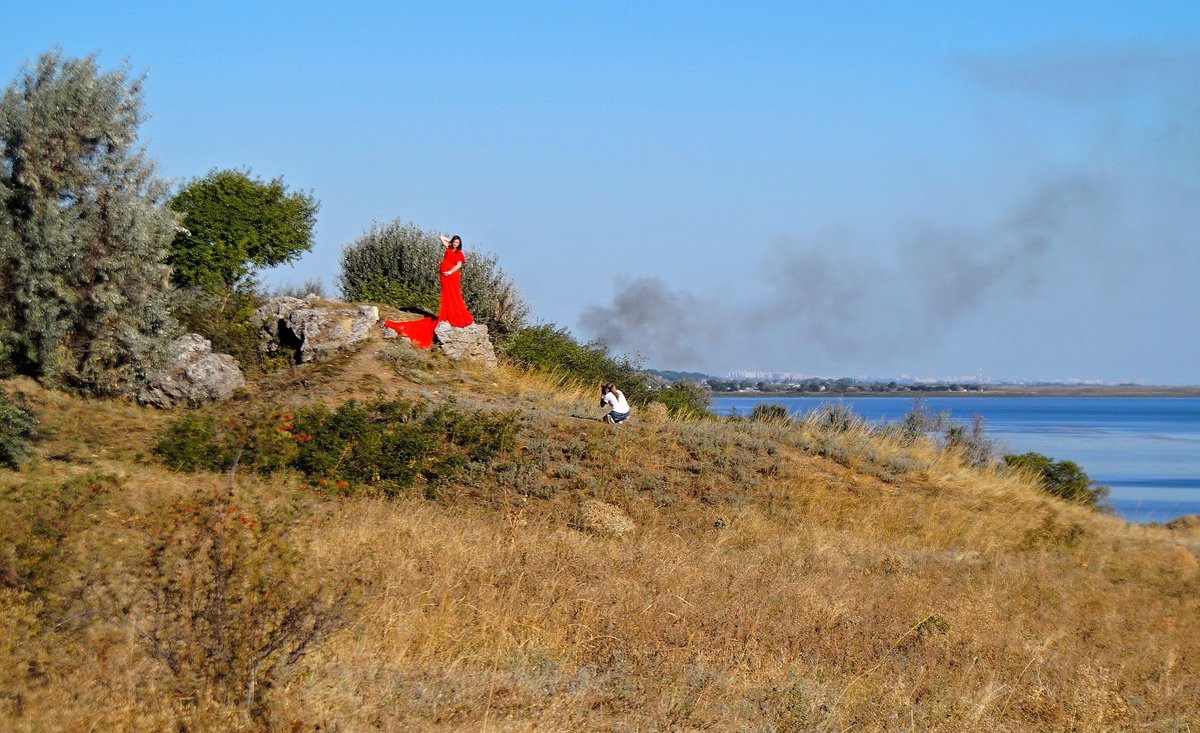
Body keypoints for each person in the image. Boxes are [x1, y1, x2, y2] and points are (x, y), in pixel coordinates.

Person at [382, 233, 474, 347]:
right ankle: (448, 313)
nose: (455, 244)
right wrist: (451, 241)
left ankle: (455, 315)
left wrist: (450, 271)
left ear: (460, 244)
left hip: (452, 275)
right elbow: (441, 237)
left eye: (457, 243)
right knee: (446, 295)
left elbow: (459, 265)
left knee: (454, 294)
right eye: (454, 242)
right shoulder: (449, 247)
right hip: (444, 275)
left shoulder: (459, 253)